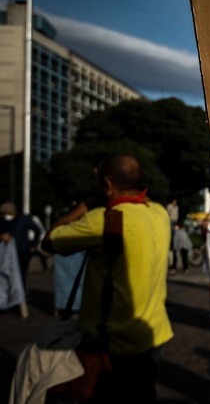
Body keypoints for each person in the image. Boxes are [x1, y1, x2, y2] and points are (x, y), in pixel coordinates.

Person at [41, 154, 174, 402]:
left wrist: (83, 207)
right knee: (144, 393)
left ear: (108, 184)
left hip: (115, 340)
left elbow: (49, 241)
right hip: (154, 331)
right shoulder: (159, 213)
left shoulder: (103, 220)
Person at [1, 202, 44, 289]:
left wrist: (33, 245)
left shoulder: (23, 219)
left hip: (22, 251)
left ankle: (20, 296)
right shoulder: (1, 220)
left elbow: (37, 231)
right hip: (5, 252)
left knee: (21, 275)